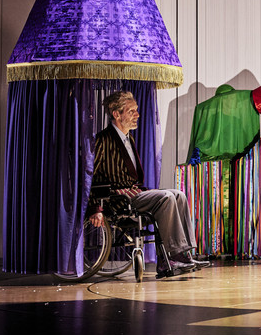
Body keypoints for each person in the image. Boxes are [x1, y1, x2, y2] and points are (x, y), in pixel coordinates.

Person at [87, 91, 209, 278]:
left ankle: (184, 254)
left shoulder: (129, 139)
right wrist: (96, 208)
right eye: (131, 111)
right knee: (166, 197)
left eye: (136, 110)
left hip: (134, 194)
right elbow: (90, 176)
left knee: (179, 195)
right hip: (118, 199)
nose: (137, 115)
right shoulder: (103, 140)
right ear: (116, 114)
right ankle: (173, 256)